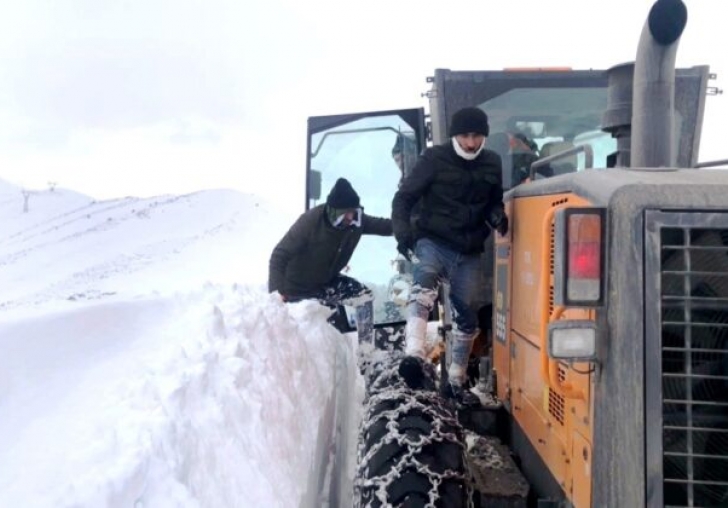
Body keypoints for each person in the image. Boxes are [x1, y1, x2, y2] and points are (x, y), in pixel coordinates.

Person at [391, 106, 508, 405]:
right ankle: (414, 355)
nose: (471, 143)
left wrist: (497, 217)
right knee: (425, 281)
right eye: (466, 136)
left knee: (466, 312)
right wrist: (403, 234)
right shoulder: (434, 159)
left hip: (468, 249)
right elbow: (404, 198)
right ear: (456, 136)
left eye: (477, 136)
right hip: (433, 239)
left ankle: (456, 382)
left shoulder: (492, 163)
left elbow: (494, 201)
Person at [268, 177, 393, 343]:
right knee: (322, 339)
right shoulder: (311, 222)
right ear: (333, 211)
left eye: (353, 212)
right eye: (345, 213)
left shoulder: (356, 221)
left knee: (363, 298)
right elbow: (279, 255)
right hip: (297, 290)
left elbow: (383, 226)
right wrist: (277, 296)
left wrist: (412, 227)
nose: (350, 217)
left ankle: (366, 355)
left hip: (326, 284)